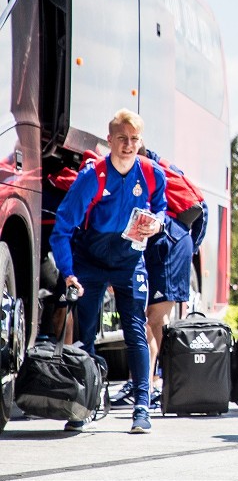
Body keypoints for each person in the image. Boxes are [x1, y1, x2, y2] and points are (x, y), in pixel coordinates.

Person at [50, 108, 167, 434]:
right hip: (91, 261)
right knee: (86, 334)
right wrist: (69, 272)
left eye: (134, 139)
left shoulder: (152, 174)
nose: (128, 145)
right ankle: (84, 405)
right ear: (110, 139)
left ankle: (141, 407)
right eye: (122, 139)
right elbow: (62, 228)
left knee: (135, 330)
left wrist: (156, 223)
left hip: (129, 262)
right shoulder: (93, 177)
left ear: (140, 141)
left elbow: (161, 207)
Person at [109, 144, 208, 410]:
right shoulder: (140, 172)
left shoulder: (155, 171)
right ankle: (142, 384)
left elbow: (201, 208)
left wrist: (189, 249)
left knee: (155, 319)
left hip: (170, 246)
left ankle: (165, 384)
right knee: (141, 318)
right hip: (161, 245)